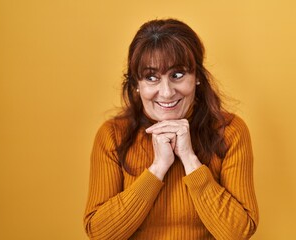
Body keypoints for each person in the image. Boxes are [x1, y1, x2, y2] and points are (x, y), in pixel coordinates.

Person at [84, 18, 259, 240]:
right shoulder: (112, 136)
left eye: (177, 75)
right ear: (137, 85)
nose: (166, 92)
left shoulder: (231, 131)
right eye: (151, 77)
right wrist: (158, 167)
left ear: (197, 78)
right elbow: (100, 233)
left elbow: (238, 232)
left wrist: (189, 159)